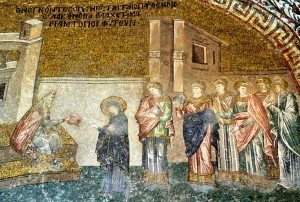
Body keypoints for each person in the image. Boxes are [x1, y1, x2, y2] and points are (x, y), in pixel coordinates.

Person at [10, 90, 74, 165]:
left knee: (55, 135)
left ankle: (52, 159)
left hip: (39, 134)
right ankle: (47, 160)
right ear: (43, 103)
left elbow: (45, 125)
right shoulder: (36, 114)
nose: (49, 105)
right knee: (46, 142)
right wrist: (63, 120)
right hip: (31, 138)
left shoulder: (42, 112)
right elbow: (47, 123)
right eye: (48, 103)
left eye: (50, 103)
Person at [175, 81, 219, 186]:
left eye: (197, 88)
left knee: (204, 151)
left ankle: (206, 177)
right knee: (193, 154)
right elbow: (181, 116)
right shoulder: (187, 101)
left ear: (201, 89)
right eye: (193, 88)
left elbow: (211, 114)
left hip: (204, 128)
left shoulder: (207, 100)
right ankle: (194, 176)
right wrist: (177, 107)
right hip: (190, 129)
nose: (195, 90)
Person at [231, 81, 275, 181]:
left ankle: (260, 175)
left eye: (245, 87)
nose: (244, 89)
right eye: (242, 87)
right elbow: (233, 114)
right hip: (240, 129)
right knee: (245, 151)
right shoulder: (235, 99)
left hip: (254, 126)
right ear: (237, 89)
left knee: (257, 150)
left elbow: (259, 114)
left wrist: (245, 123)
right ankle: (247, 175)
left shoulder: (253, 98)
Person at [135, 82, 174, 184]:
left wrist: (157, 118)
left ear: (158, 88)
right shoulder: (146, 100)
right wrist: (151, 115)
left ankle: (161, 178)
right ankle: (149, 178)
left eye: (153, 89)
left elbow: (167, 115)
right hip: (149, 130)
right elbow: (139, 114)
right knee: (149, 153)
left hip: (161, 130)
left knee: (161, 153)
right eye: (150, 89)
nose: (151, 91)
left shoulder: (166, 99)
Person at [268, 78, 300, 188]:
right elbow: (274, 116)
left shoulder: (289, 96)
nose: (275, 87)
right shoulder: (276, 98)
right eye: (274, 85)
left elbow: (292, 115)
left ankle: (294, 180)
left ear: (283, 85)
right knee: (282, 155)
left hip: (289, 132)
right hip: (281, 132)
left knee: (291, 155)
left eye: (277, 85)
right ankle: (285, 181)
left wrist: (275, 110)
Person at [95, 96, 129, 194]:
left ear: (116, 107)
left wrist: (98, 127)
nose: (109, 111)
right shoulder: (113, 118)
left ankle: (117, 188)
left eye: (110, 109)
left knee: (117, 165)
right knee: (111, 166)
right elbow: (108, 131)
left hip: (119, 146)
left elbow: (113, 130)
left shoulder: (122, 118)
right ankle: (109, 188)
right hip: (112, 146)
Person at [211, 79, 239, 174]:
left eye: (219, 86)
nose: (217, 88)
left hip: (230, 122)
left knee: (231, 145)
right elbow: (212, 109)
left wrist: (220, 114)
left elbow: (232, 110)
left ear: (224, 86)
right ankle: (222, 169)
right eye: (216, 86)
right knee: (221, 145)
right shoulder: (214, 97)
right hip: (219, 124)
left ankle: (234, 170)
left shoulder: (231, 96)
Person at [255, 77, 279, 179]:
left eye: (263, 83)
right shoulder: (255, 96)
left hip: (271, 124)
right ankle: (262, 171)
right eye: (259, 84)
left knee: (272, 146)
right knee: (260, 146)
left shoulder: (273, 95)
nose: (261, 85)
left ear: (267, 84)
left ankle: (274, 171)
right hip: (259, 124)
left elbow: (277, 109)